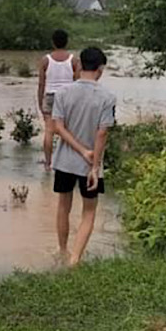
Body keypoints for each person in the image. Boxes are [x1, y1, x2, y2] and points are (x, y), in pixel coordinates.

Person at [51, 46, 115, 266]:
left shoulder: (62, 93)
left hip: (64, 161)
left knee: (63, 206)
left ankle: (62, 251)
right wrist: (94, 164)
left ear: (78, 65)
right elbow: (102, 132)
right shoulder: (107, 97)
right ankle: (75, 259)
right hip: (90, 165)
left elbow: (57, 126)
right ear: (100, 69)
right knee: (89, 211)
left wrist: (78, 149)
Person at [37, 29, 81, 172]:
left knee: (49, 131)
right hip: (68, 97)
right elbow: (78, 82)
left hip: (50, 96)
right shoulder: (74, 60)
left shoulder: (45, 60)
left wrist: (40, 102)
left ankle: (48, 164)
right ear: (66, 42)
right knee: (68, 131)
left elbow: (41, 84)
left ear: (53, 42)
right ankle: (66, 162)